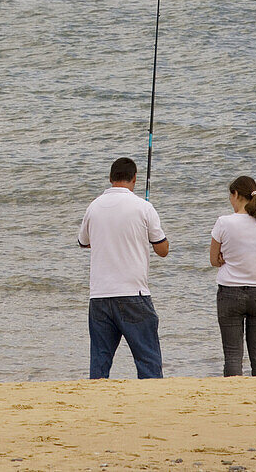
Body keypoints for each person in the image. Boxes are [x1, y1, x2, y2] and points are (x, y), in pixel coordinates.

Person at [78, 156, 169, 379]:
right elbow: (163, 250)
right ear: (134, 179)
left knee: (100, 363)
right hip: (133, 294)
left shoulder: (94, 206)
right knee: (148, 360)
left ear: (110, 178)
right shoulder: (144, 207)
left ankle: (98, 407)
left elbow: (84, 241)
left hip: (99, 296)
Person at [210, 175, 256, 377]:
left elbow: (214, 260)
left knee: (232, 355)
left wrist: (224, 258)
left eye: (231, 196)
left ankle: (234, 398)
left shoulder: (224, 222)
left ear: (236, 194)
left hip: (230, 292)